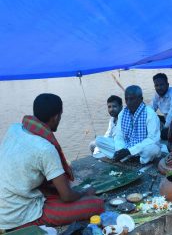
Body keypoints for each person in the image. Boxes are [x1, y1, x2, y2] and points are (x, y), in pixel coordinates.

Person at [0, 94, 104, 230]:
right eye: (60, 116)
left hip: (10, 199)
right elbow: (66, 196)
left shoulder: (15, 128)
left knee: (56, 190)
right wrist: (84, 193)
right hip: (17, 214)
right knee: (96, 204)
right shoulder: (45, 148)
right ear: (56, 117)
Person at [113, 85, 161, 164]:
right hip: (126, 146)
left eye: (131, 99)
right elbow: (119, 135)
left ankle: (137, 159)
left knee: (153, 149)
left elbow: (153, 139)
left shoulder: (150, 114)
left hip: (142, 149)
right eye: (126, 99)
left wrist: (130, 151)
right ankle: (125, 156)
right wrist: (120, 150)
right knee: (99, 141)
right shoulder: (122, 113)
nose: (128, 102)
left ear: (141, 99)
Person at [151, 73, 172, 140]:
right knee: (151, 116)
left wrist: (165, 127)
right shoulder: (157, 95)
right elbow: (151, 109)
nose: (159, 88)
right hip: (166, 120)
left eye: (161, 85)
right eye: (156, 85)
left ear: (167, 85)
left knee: (163, 135)